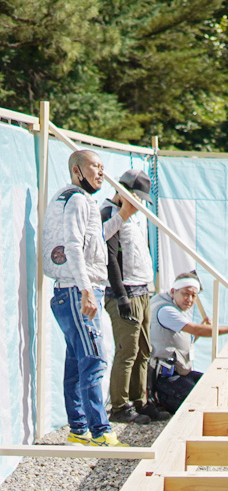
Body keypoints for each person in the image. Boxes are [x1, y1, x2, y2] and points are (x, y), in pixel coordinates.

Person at [42, 149, 137, 447]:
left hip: (73, 289)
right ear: (76, 171)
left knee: (77, 361)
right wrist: (86, 290)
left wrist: (122, 216)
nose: (100, 172)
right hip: (75, 290)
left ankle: (79, 429)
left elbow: (92, 242)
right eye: (94, 166)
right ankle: (100, 431)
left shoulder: (81, 201)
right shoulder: (75, 200)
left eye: (102, 167)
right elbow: (72, 245)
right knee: (94, 358)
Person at [101, 169, 169, 424]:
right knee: (127, 350)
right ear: (122, 191)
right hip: (125, 291)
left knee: (143, 350)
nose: (139, 204)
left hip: (142, 289)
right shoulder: (110, 214)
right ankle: (119, 406)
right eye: (135, 198)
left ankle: (139, 400)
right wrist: (120, 295)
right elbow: (109, 258)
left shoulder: (132, 217)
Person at [148, 272, 228, 413]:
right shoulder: (166, 310)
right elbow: (197, 330)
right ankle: (157, 398)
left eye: (194, 296)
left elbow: (183, 339)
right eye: (186, 294)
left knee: (211, 387)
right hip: (164, 379)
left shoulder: (177, 308)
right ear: (173, 292)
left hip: (179, 372)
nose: (189, 299)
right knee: (198, 401)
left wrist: (202, 328)